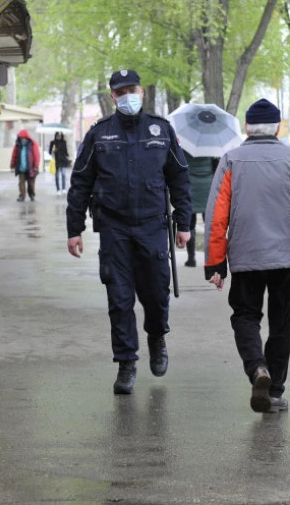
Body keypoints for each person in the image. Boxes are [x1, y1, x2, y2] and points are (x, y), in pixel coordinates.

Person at [66, 69, 191, 395]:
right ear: (113, 97)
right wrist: (74, 228)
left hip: (152, 225)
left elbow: (179, 177)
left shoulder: (161, 130)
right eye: (120, 92)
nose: (127, 96)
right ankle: (126, 363)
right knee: (119, 298)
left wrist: (185, 223)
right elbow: (80, 182)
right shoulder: (99, 134)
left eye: (131, 90)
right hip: (114, 228)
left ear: (142, 91)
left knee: (156, 292)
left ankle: (156, 337)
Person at [203, 98, 290, 413]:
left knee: (245, 315)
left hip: (246, 254)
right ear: (278, 128)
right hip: (287, 258)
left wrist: (215, 263)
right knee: (281, 322)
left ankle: (257, 368)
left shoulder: (231, 160)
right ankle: (274, 391)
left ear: (248, 127)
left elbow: (216, 216)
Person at [183, 150, 218, 267]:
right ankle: (210, 257)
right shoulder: (211, 148)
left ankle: (191, 259)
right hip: (208, 188)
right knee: (209, 225)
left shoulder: (185, 149)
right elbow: (216, 168)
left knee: (190, 225)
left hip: (190, 187)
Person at [10, 129, 40, 201]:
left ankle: (32, 195)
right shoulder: (17, 145)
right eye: (20, 138)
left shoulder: (32, 144)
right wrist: (12, 164)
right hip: (21, 168)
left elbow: (36, 155)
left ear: (26, 137)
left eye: (22, 137)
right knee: (21, 183)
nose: (21, 139)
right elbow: (14, 155)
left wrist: (36, 166)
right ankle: (22, 196)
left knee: (31, 183)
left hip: (31, 168)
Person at [49, 131, 70, 195]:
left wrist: (67, 156)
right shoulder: (53, 142)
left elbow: (66, 151)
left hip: (63, 160)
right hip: (56, 161)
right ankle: (58, 189)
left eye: (60, 135)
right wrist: (53, 150)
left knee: (63, 174)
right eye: (58, 135)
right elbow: (50, 152)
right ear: (56, 135)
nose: (59, 136)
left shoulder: (64, 142)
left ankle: (63, 188)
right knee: (57, 176)